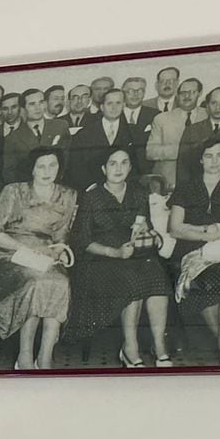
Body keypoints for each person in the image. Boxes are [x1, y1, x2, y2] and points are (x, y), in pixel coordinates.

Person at [68, 145, 172, 366]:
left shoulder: (139, 194)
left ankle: (159, 345)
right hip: (99, 260)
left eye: (124, 162)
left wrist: (147, 232)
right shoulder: (91, 197)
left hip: (134, 255)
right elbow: (81, 241)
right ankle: (130, 348)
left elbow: (147, 227)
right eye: (113, 163)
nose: (119, 168)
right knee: (132, 282)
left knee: (158, 278)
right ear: (104, 168)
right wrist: (114, 252)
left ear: (130, 167)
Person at [0, 146, 79, 369]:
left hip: (45, 256)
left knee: (60, 283)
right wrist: (23, 250)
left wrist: (58, 251)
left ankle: (45, 358)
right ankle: (25, 355)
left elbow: (61, 235)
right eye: (41, 166)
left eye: (53, 165)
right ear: (32, 169)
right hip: (10, 254)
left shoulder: (68, 195)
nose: (47, 171)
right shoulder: (14, 191)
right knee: (36, 282)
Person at [168, 135, 220, 363]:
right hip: (190, 248)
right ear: (200, 160)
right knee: (200, 280)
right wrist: (209, 231)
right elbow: (175, 228)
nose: (214, 161)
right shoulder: (186, 187)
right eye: (208, 156)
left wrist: (203, 230)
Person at [147, 76, 204, 191]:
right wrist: (181, 149)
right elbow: (150, 152)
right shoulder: (161, 119)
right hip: (168, 182)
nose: (187, 96)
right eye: (183, 92)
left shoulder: (208, 115)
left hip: (202, 181)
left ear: (200, 93)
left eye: (192, 92)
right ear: (177, 95)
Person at [3, 88, 64, 182]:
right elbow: (9, 172)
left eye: (41, 102)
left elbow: (67, 160)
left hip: (59, 186)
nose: (38, 107)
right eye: (32, 104)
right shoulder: (13, 138)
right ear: (23, 109)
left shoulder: (60, 126)